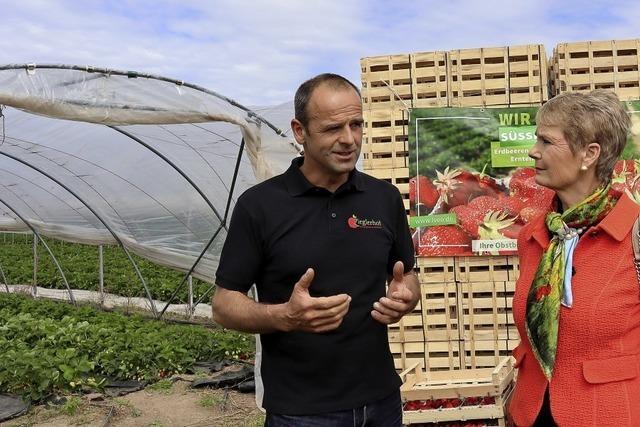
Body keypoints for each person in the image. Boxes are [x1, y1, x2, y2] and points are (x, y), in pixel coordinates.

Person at [212, 73, 420, 426]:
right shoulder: (260, 207)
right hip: (301, 411)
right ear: (299, 131)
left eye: (356, 125)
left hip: (381, 401)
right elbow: (223, 304)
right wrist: (285, 316)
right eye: (332, 129)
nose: (349, 140)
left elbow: (407, 276)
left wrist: (407, 294)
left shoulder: (383, 199)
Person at [509, 90, 640, 426]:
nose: (533, 151)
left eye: (547, 141)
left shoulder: (634, 234)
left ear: (589, 153)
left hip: (610, 414)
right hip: (533, 412)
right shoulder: (533, 235)